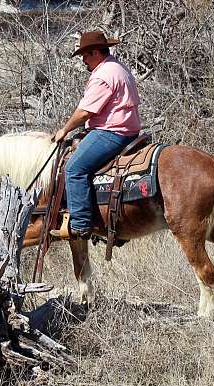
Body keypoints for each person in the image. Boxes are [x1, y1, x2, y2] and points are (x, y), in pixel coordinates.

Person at [51, 31, 141, 240]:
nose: (83, 60)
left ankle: (81, 225)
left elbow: (85, 112)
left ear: (95, 52)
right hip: (130, 130)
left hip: (112, 132)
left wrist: (65, 130)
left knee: (74, 168)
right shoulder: (119, 67)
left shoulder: (102, 75)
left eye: (85, 54)